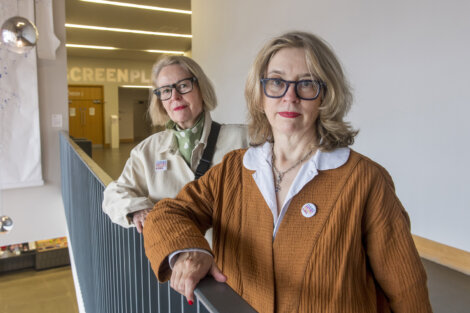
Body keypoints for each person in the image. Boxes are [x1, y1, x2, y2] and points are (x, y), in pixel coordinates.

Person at [143, 32, 432, 312]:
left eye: (306, 83)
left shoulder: (365, 180)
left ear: (325, 96)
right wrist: (191, 251)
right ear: (260, 95)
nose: (289, 96)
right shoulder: (233, 169)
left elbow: (406, 288)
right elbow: (168, 213)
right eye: (277, 82)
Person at [102, 55, 249, 233]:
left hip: (233, 257)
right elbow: (113, 195)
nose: (175, 97)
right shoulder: (147, 150)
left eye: (183, 85)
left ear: (201, 88)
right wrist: (137, 209)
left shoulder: (244, 139)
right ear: (160, 100)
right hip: (179, 258)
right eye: (165, 91)